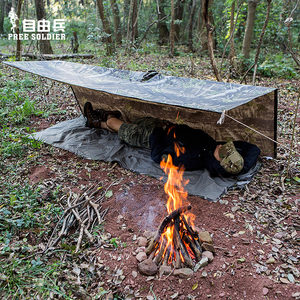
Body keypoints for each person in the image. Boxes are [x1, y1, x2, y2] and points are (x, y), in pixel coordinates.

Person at [84, 102, 261, 177]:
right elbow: (254, 149)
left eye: (223, 151)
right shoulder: (217, 148)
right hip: (166, 128)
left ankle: (100, 120)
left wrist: (158, 134)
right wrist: (242, 166)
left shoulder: (193, 159)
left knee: (120, 127)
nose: (223, 146)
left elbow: (158, 157)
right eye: (227, 147)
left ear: (219, 161)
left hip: (152, 138)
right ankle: (100, 121)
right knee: (135, 122)